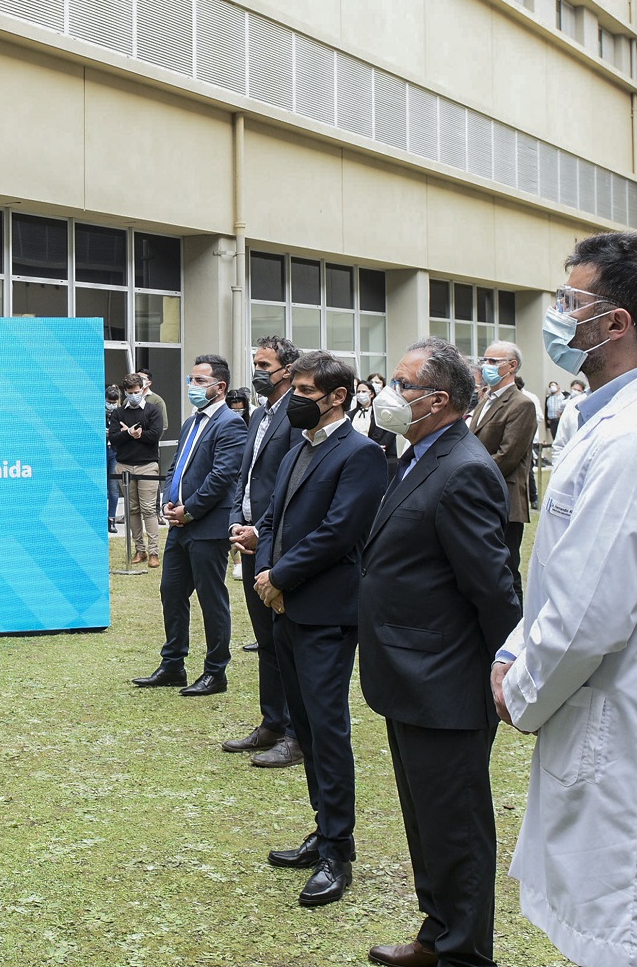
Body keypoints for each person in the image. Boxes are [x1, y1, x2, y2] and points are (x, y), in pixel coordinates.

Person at [491, 232, 637, 967]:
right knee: (596, 913)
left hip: (628, 712)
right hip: (601, 701)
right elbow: (561, 571)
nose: (555, 315)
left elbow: (593, 608)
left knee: (625, 927)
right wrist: (515, 647)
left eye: (569, 301)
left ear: (615, 322)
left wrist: (520, 685)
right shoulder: (601, 415)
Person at [361, 338, 521, 967]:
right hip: (407, 675)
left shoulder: (464, 468)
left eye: (402, 385)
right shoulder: (418, 454)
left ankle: (465, 953)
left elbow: (494, 589)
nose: (389, 396)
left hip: (446, 682)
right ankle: (438, 935)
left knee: (456, 828)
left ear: (439, 400)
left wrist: (504, 670)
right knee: (426, 822)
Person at [252, 351, 388, 907]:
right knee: (304, 730)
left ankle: (338, 849)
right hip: (284, 606)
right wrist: (264, 565)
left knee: (328, 732)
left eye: (308, 390)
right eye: (297, 388)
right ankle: (322, 826)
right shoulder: (296, 449)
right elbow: (271, 519)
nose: (297, 397)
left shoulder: (362, 455)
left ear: (337, 395)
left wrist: (279, 576)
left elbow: (338, 534)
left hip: (325, 612)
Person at [131, 356, 248, 696]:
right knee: (171, 592)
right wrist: (169, 499)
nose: (192, 387)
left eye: (199, 381)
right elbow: (176, 466)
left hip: (207, 526)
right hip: (180, 525)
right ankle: (173, 665)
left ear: (219, 387)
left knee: (212, 600)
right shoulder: (190, 423)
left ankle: (215, 672)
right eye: (191, 380)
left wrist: (190, 510)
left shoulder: (230, 423)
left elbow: (223, 475)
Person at [223, 337, 303, 768]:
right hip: (250, 538)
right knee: (266, 640)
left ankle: (295, 732)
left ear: (287, 370)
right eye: (254, 363)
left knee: (285, 639)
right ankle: (272, 721)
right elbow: (245, 476)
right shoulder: (259, 415)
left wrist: (261, 530)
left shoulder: (296, 413)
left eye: (263, 364)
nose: (256, 371)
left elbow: (292, 483)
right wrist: (237, 519)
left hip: (277, 541)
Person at [472, 342, 539, 590]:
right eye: (484, 361)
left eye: (493, 362)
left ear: (512, 367)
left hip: (504, 500)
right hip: (480, 496)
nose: (486, 366)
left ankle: (513, 623)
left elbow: (507, 456)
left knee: (506, 569)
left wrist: (468, 476)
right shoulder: (485, 400)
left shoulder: (521, 404)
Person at [109, 375, 164, 569]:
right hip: (124, 465)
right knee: (132, 509)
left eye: (137, 392)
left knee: (149, 509)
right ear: (125, 392)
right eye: (130, 393)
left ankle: (154, 552)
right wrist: (128, 433)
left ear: (143, 389)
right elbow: (114, 438)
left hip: (147, 465)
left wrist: (136, 435)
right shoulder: (118, 413)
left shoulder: (153, 410)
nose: (134, 396)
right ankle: (139, 549)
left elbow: (155, 435)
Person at [350, 378, 401, 475]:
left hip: (379, 457)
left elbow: (389, 432)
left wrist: (375, 447)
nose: (361, 394)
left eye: (364, 391)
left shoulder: (380, 412)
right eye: (358, 392)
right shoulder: (351, 415)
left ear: (371, 394)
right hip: (356, 457)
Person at [551, 379, 588, 451]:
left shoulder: (584, 401)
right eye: (574, 389)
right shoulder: (566, 402)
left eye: (578, 390)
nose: (576, 392)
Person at [106, 383, 123, 536]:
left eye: (113, 402)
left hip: (115, 452)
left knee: (113, 487)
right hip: (101, 451)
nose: (111, 405)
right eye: (109, 402)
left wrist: (113, 432)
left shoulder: (121, 413)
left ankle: (111, 518)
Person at [137, 369, 170, 440]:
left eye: (142, 379)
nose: (138, 381)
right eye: (137, 378)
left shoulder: (157, 401)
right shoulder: (128, 399)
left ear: (149, 383)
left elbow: (163, 426)